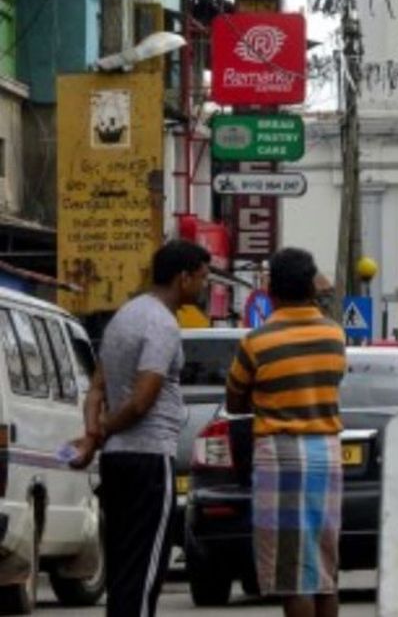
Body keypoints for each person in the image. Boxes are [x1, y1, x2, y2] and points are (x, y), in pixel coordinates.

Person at [69, 240, 210, 617]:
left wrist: (93, 432)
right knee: (145, 576)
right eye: (201, 277)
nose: (204, 285)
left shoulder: (125, 316)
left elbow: (97, 388)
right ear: (183, 278)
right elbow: (141, 400)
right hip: (148, 461)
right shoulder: (162, 324)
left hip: (117, 463)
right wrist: (99, 434)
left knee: (123, 574)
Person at [227, 248, 349, 617]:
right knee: (325, 568)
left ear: (270, 288)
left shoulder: (257, 341)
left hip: (278, 454)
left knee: (292, 572)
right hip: (326, 453)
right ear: (312, 286)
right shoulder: (335, 335)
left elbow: (235, 401)